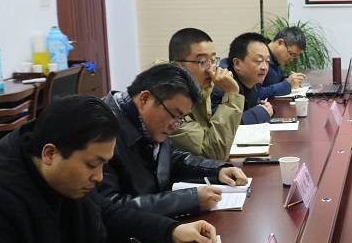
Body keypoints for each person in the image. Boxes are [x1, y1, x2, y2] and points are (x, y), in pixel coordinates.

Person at [0, 95, 217, 243]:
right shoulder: (5, 194)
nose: (99, 177)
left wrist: (172, 230)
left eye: (104, 164)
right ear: (50, 154)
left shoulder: (66, 168)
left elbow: (106, 213)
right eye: (92, 165)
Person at [98, 64, 248, 218]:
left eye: (181, 119)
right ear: (145, 99)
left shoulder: (147, 123)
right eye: (174, 115)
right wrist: (188, 200)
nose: (175, 126)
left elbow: (171, 159)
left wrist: (216, 171)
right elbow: (110, 208)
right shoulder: (100, 132)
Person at [167, 27, 244, 161]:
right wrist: (232, 95)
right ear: (177, 67)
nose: (211, 69)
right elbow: (214, 153)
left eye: (213, 60)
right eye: (202, 61)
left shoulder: (200, 87)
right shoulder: (167, 102)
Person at [212, 32, 274, 124]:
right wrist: (260, 113)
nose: (264, 67)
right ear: (237, 63)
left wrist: (264, 108)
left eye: (267, 61)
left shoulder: (253, 81)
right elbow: (221, 124)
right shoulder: (222, 84)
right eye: (259, 61)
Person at [259, 26, 307, 99]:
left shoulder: (276, 58)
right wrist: (287, 84)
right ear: (280, 42)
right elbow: (256, 93)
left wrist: (290, 80)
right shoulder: (259, 58)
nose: (291, 59)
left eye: (294, 56)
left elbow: (281, 77)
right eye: (291, 54)